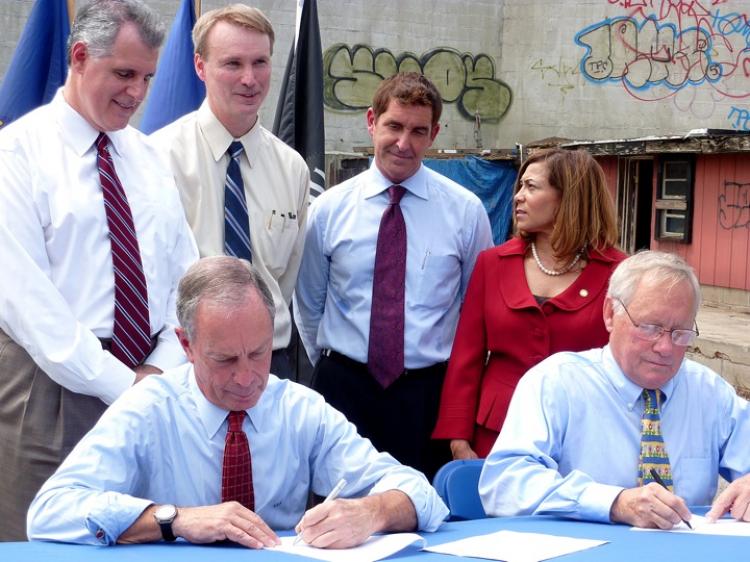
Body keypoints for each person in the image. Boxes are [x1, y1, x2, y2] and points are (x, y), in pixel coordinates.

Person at [27, 256, 449, 547]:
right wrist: (176, 520)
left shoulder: (299, 409)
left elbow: (422, 495)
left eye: (260, 353)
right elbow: (48, 512)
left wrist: (371, 512)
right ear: (186, 345)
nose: (246, 378)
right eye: (225, 359)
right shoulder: (149, 409)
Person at [0, 0, 198, 541]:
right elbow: (28, 303)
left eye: (148, 78)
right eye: (124, 74)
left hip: (152, 382)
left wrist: (158, 372)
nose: (137, 92)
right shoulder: (17, 154)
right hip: (51, 393)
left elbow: (185, 277)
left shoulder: (149, 157)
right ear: (80, 56)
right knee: (44, 543)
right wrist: (126, 386)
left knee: (147, 540)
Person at [293, 72, 493, 480]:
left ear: (434, 133)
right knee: (339, 511)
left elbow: (476, 310)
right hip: (344, 391)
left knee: (426, 516)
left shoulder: (465, 211)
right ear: (371, 121)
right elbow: (309, 303)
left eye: (419, 131)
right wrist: (344, 364)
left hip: (427, 397)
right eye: (394, 126)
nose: (404, 143)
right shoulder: (329, 209)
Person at [478, 251, 750, 528]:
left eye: (680, 333)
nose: (665, 348)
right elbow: (504, 483)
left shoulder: (708, 392)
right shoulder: (557, 383)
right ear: (610, 314)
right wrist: (614, 503)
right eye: (650, 328)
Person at [433, 148, 626, 459]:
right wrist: (458, 439)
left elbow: (627, 366)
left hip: (584, 436)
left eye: (531, 187)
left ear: (569, 198)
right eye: (519, 186)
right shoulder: (492, 263)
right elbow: (465, 358)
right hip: (496, 436)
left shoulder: (620, 274)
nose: (518, 197)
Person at [151, 5, 309, 380]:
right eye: (233, 64)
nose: (250, 79)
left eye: (260, 62)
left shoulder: (292, 169)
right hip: (183, 366)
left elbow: (285, 280)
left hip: (270, 365)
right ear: (200, 66)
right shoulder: (157, 158)